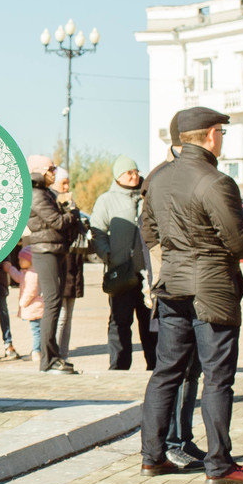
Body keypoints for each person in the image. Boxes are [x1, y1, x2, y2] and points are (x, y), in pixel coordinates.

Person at [139, 106, 243, 484]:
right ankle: (219, 464)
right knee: (217, 378)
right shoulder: (216, 181)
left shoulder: (158, 179)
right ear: (210, 136)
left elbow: (148, 231)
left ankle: (152, 457)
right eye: (221, 133)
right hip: (211, 289)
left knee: (166, 373)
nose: (221, 139)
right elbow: (241, 243)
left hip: (172, 286)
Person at [139, 141, 205, 470]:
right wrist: (162, 273)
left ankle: (183, 439)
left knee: (192, 369)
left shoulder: (192, 173)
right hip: (173, 288)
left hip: (190, 283)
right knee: (173, 370)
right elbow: (149, 234)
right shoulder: (163, 177)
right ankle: (169, 443)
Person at [90, 156, 156, 371]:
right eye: (129, 173)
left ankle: (155, 366)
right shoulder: (106, 200)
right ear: (118, 176)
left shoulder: (148, 197)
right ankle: (119, 366)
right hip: (120, 274)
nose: (134, 176)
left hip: (146, 274)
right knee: (120, 323)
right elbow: (97, 231)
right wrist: (107, 254)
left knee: (150, 323)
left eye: (136, 172)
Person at [26, 155, 82, 374]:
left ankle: (53, 356)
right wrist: (73, 213)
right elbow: (58, 222)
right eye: (51, 169)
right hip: (45, 251)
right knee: (52, 303)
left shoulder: (46, 192)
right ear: (40, 171)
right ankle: (48, 360)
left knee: (55, 304)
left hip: (55, 249)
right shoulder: (36, 194)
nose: (54, 173)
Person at [52, 167, 86, 360]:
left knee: (68, 316)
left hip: (73, 265)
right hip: (60, 264)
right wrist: (72, 213)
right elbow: (59, 226)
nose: (66, 187)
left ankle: (63, 353)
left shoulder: (71, 204)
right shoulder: (51, 202)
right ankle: (54, 353)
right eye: (63, 183)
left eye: (67, 183)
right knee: (61, 314)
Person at [12, 247, 44, 357]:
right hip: (35, 307)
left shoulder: (32, 273)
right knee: (38, 330)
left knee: (36, 330)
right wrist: (10, 269)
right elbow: (18, 277)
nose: (19, 261)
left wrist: (23, 303)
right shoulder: (28, 272)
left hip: (35, 307)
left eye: (22, 259)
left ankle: (36, 351)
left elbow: (31, 290)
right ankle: (39, 350)